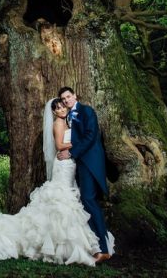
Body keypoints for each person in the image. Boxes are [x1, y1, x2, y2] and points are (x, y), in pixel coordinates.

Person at [0, 98, 104, 266]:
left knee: (69, 199)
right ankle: (57, 244)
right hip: (63, 165)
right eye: (57, 108)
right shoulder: (58, 123)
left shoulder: (70, 121)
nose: (61, 109)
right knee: (61, 199)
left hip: (71, 163)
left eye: (62, 106)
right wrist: (77, 144)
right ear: (54, 112)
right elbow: (59, 144)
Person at [57, 87, 113, 263]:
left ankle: (103, 249)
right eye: (63, 99)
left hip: (89, 161)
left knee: (89, 199)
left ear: (75, 96)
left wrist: (71, 153)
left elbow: (90, 136)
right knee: (86, 201)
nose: (66, 100)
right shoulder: (67, 116)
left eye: (68, 96)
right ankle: (98, 246)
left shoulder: (86, 110)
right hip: (78, 165)